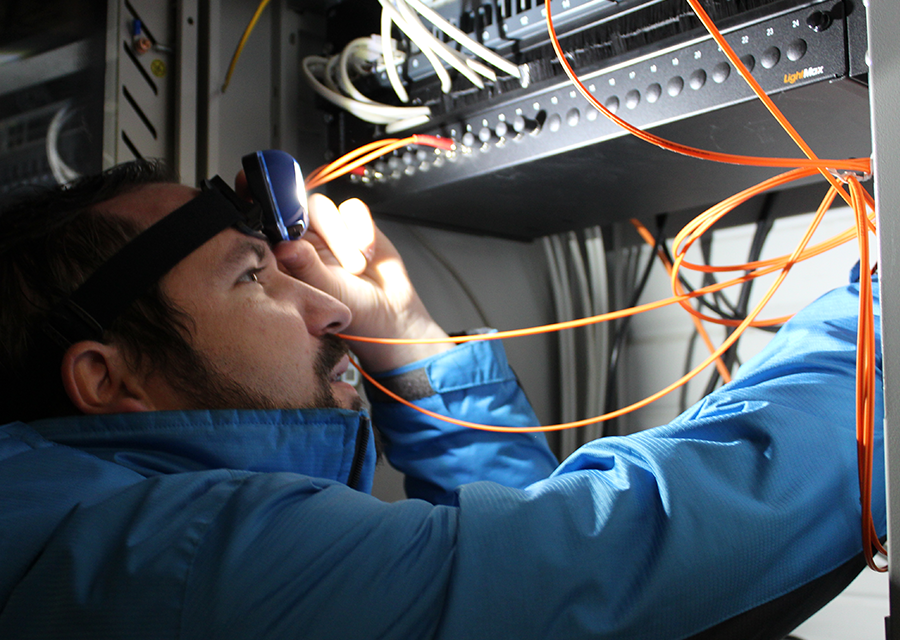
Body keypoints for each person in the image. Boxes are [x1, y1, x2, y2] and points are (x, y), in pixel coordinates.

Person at [0, 159, 886, 640]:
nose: (329, 309)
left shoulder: (92, 539)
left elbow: (512, 577)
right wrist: (883, 306)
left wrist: (411, 346)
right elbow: (619, 564)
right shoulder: (179, 570)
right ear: (107, 378)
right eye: (252, 278)